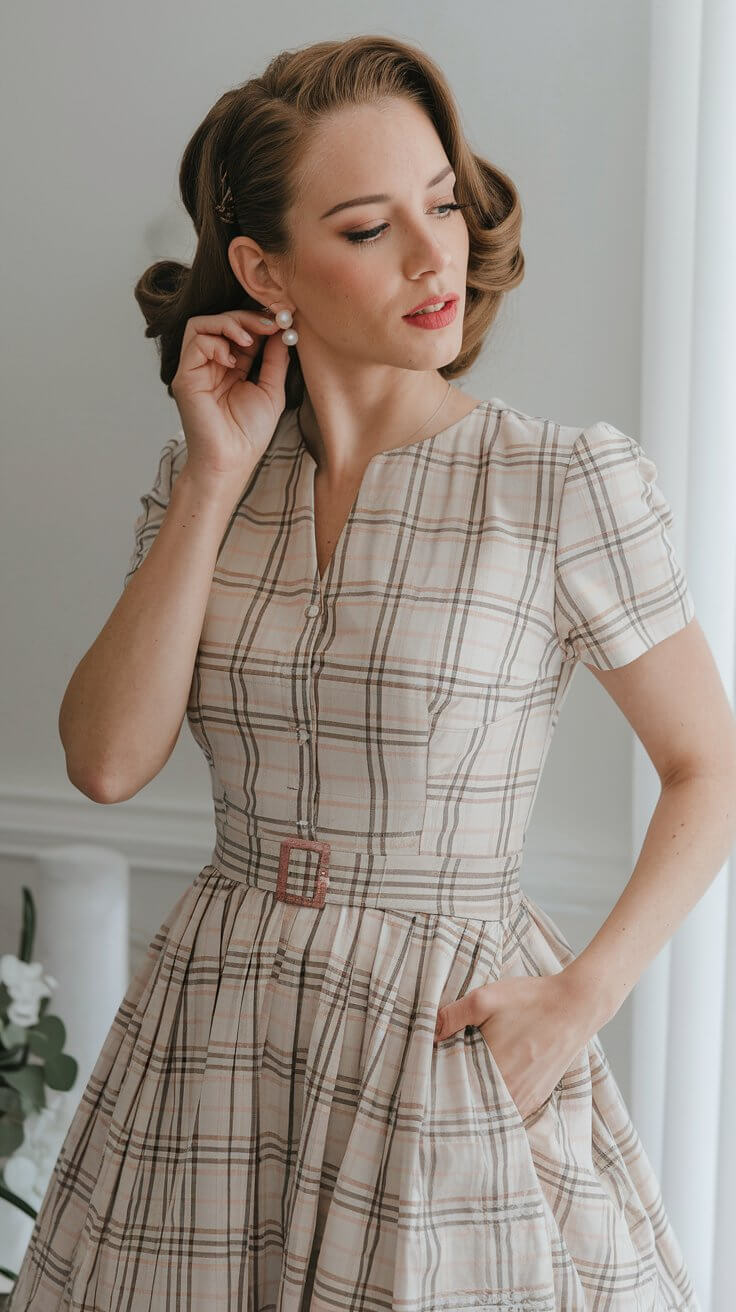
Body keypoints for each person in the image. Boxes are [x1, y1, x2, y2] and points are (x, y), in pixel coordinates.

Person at [13, 32, 729, 1311]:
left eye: (440, 204)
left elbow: (707, 764)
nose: (430, 254)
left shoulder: (558, 481)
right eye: (367, 226)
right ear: (262, 268)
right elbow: (107, 761)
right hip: (217, 1026)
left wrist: (582, 996)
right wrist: (214, 478)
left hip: (442, 1038)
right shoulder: (210, 480)